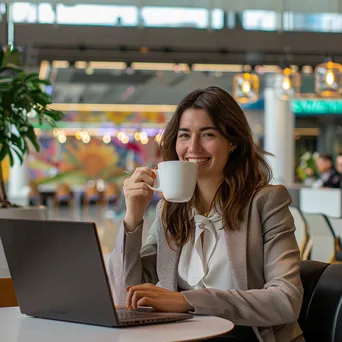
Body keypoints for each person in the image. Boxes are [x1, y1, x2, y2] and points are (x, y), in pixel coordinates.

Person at [109, 86, 304, 342]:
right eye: (184, 135)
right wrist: (133, 216)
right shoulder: (169, 211)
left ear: (233, 141)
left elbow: (285, 299)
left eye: (208, 134)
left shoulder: (266, 202)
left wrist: (187, 301)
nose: (193, 147)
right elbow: (124, 297)